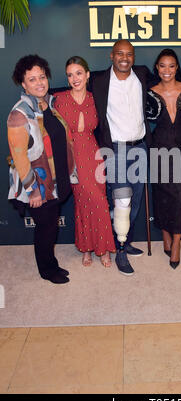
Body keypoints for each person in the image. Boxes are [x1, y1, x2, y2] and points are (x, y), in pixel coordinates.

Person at [7, 55, 78, 284]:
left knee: (50, 227)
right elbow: (19, 157)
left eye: (42, 77)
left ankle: (52, 264)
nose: (39, 82)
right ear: (23, 84)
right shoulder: (19, 114)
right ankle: (47, 271)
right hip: (39, 185)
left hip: (56, 181)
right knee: (46, 229)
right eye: (32, 79)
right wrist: (33, 190)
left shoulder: (48, 104)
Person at [90, 39, 153, 276]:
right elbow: (70, 87)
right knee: (122, 202)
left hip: (140, 148)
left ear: (133, 57)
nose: (124, 58)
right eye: (119, 53)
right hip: (115, 150)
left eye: (129, 54)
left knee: (134, 201)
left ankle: (123, 240)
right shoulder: (98, 81)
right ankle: (120, 251)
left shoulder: (142, 75)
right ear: (111, 55)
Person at [53, 56, 116, 267]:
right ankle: (87, 248)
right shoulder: (59, 99)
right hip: (71, 155)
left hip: (93, 154)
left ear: (88, 75)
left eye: (79, 73)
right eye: (70, 74)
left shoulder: (96, 98)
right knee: (82, 203)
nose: (74, 78)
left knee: (99, 201)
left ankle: (104, 248)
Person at [147, 49, 181, 268]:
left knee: (179, 198)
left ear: (177, 68)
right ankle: (166, 235)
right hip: (158, 149)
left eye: (171, 66)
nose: (167, 70)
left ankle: (176, 242)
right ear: (157, 68)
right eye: (162, 66)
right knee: (161, 195)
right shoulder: (149, 91)